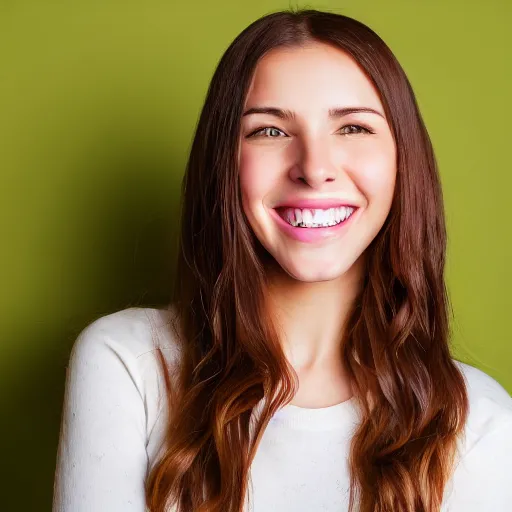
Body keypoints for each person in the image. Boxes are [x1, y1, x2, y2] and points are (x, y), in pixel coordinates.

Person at [52, 8, 512, 512]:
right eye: (269, 131)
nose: (314, 169)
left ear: (404, 159)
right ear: (223, 161)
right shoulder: (131, 365)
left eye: (353, 127)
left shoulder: (480, 421)